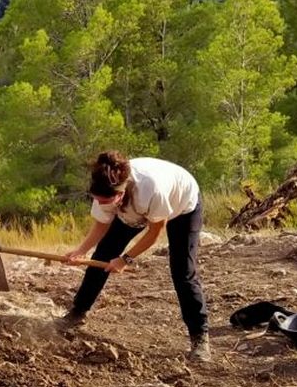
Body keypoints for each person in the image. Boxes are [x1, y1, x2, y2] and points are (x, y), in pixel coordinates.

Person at [61, 151, 211, 361]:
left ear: (120, 193)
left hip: (182, 206)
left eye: (106, 200)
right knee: (102, 254)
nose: (101, 204)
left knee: (182, 271)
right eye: (98, 200)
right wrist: (80, 251)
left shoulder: (150, 190)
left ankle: (200, 336)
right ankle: (77, 313)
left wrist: (125, 259)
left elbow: (155, 232)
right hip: (132, 210)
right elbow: (101, 224)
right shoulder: (104, 189)